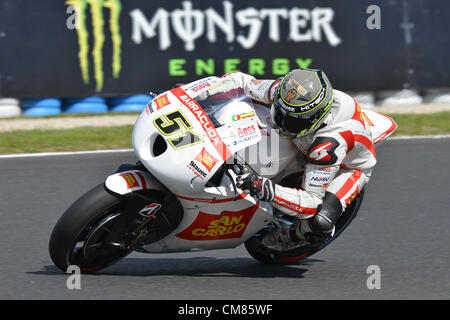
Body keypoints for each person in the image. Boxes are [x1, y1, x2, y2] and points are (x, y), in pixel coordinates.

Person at [203, 69, 376, 245]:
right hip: (301, 140)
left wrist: (265, 188)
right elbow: (241, 81)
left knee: (319, 222)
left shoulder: (326, 145)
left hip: (348, 167)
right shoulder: (285, 93)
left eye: (293, 120)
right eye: (279, 112)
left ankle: (291, 238)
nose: (282, 123)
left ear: (315, 119)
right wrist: (200, 92)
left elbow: (311, 202)